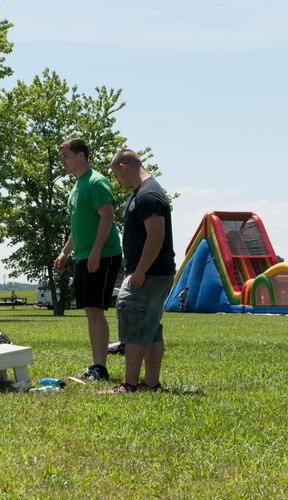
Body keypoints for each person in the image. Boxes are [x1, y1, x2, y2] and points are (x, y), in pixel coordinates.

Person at [102, 149, 176, 394]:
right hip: (151, 271)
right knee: (151, 327)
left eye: (117, 176)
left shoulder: (149, 194)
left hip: (150, 273)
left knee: (134, 323)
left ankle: (130, 384)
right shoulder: (143, 193)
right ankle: (151, 384)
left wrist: (141, 271)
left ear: (124, 167)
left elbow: (156, 237)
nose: (118, 182)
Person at [54, 138, 123, 381]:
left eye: (66, 156)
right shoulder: (77, 187)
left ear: (81, 155)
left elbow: (107, 217)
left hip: (102, 255)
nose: (62, 161)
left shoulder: (96, 181)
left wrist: (96, 250)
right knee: (90, 311)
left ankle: (100, 368)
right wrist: (65, 252)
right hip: (85, 255)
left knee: (95, 310)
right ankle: (96, 365)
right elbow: (78, 225)